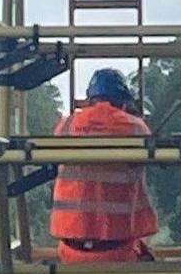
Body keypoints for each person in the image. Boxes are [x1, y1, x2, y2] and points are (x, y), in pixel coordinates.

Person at [50, 69, 158, 263]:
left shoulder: (67, 125)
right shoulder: (135, 127)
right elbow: (147, 139)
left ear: (90, 98)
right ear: (123, 101)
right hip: (117, 252)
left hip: (71, 252)